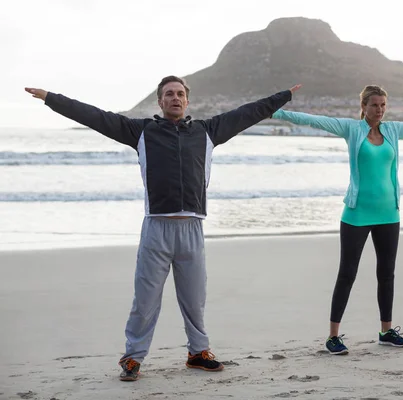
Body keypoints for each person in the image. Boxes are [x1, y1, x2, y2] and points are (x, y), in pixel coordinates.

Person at [25, 77, 301, 380]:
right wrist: (52, 98)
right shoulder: (141, 131)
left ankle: (198, 352)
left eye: (180, 94)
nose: (175, 98)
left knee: (194, 299)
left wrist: (282, 96)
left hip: (192, 229)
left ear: (187, 101)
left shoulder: (207, 131)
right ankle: (132, 358)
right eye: (169, 94)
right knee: (145, 300)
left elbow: (247, 113)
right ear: (160, 101)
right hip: (156, 228)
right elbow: (95, 116)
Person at [271, 85, 403, 355]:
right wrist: (273, 112)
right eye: (374, 105)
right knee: (347, 274)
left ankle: (386, 331)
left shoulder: (393, 130)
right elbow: (311, 120)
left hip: (388, 213)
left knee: (387, 273)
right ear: (364, 107)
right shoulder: (350, 129)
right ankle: (333, 336)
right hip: (357, 213)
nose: (379, 110)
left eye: (383, 105)